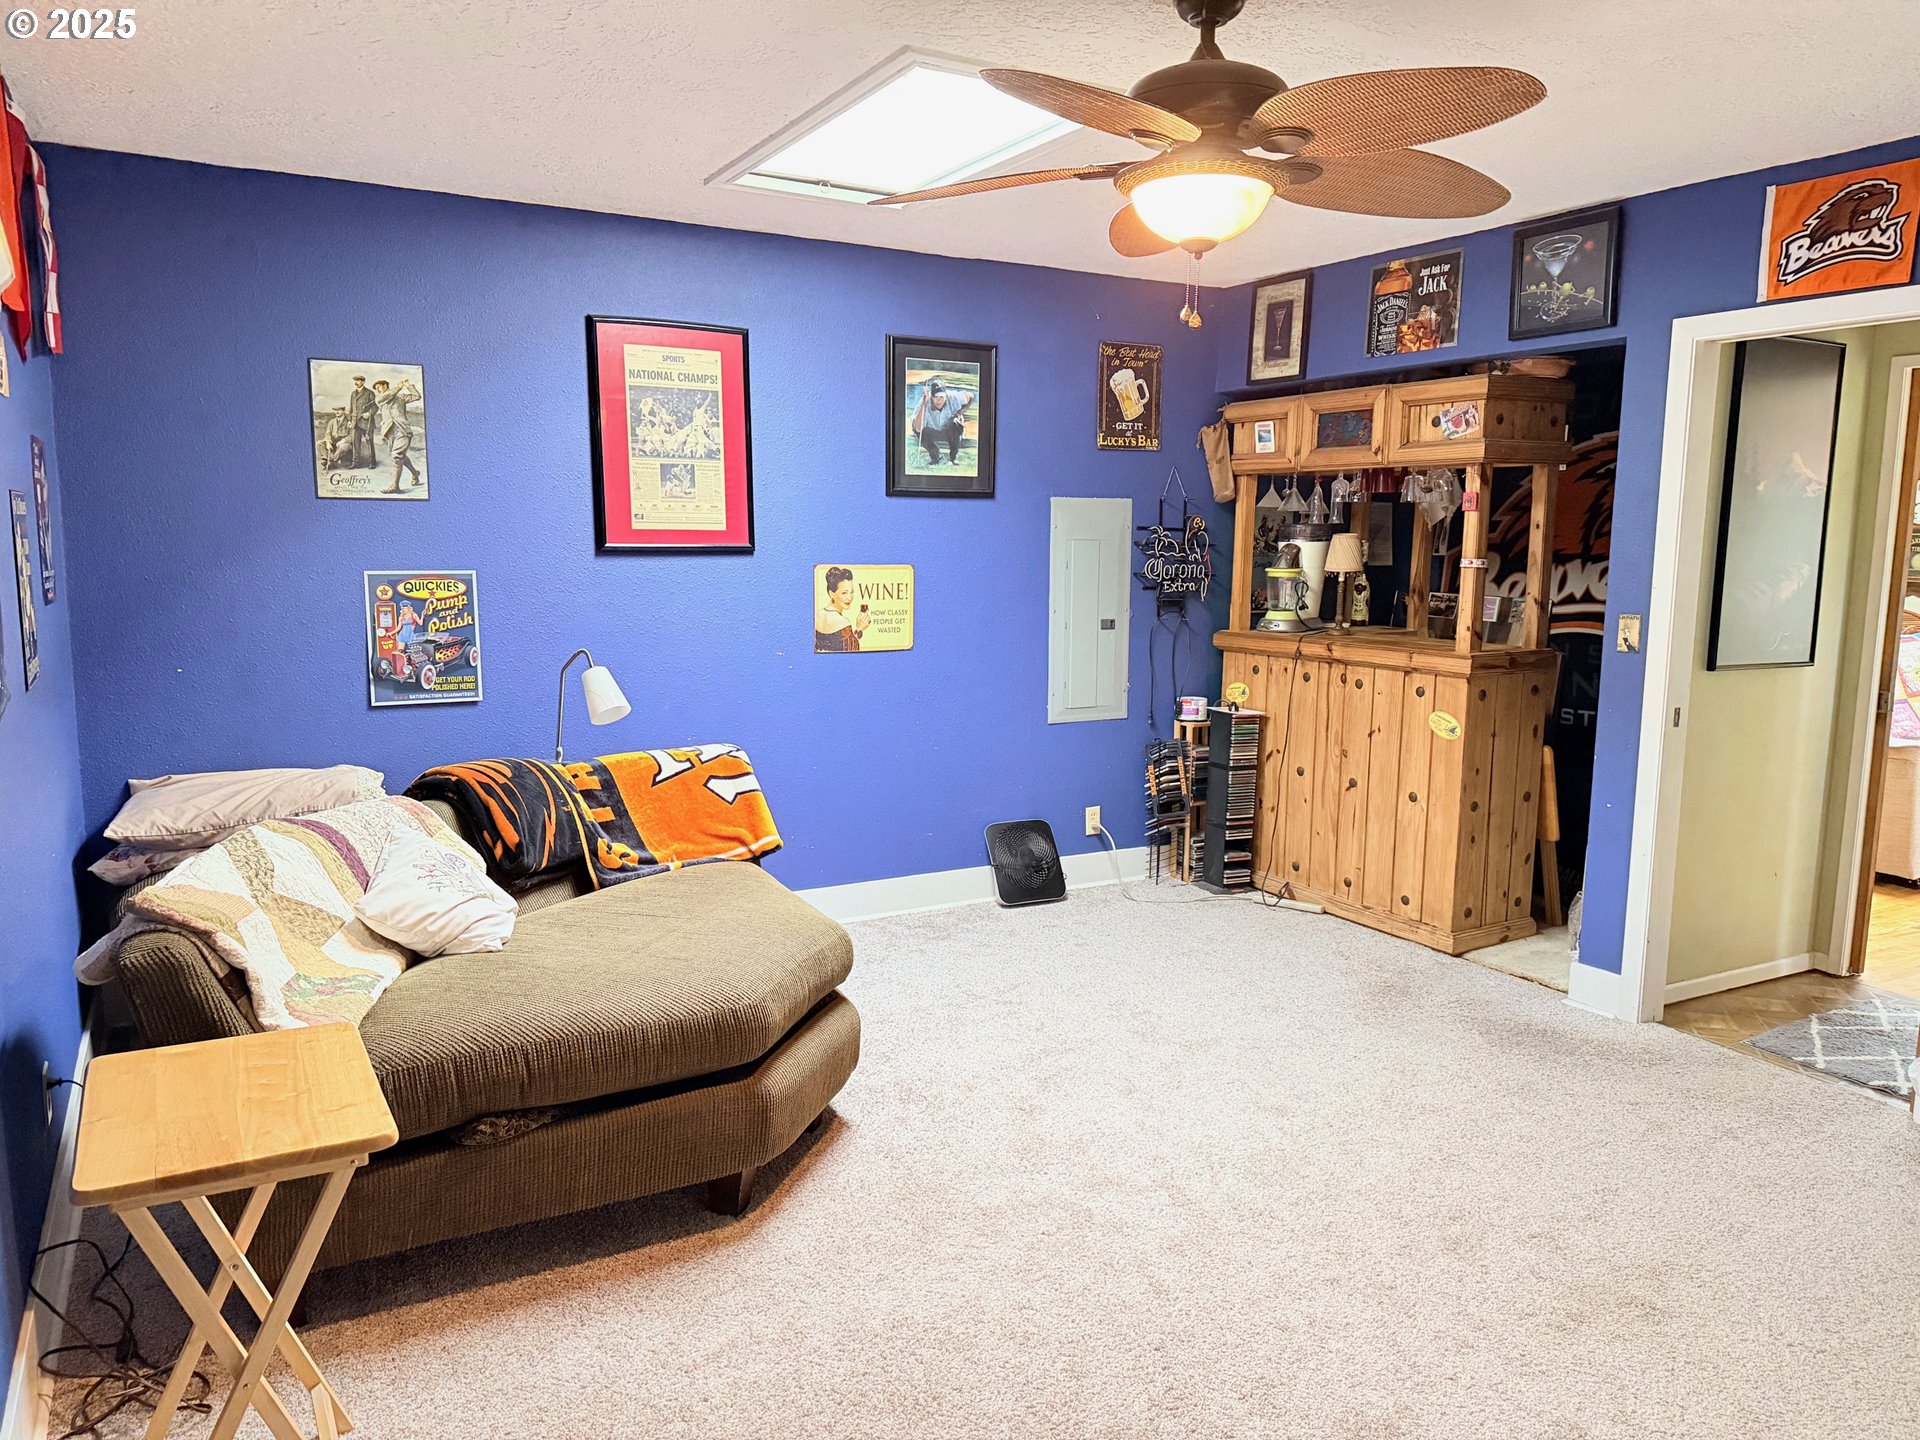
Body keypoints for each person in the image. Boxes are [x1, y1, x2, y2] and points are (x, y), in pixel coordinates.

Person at [374, 376, 423, 493]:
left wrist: (408, 385)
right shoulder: (380, 399)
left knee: (396, 456)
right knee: (399, 456)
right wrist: (399, 386)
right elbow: (388, 395)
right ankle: (415, 473)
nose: (378, 389)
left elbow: (417, 396)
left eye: (379, 386)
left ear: (385, 385)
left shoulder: (400, 397)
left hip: (403, 430)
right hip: (389, 432)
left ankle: (395, 486)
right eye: (376, 388)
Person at [912, 379, 973, 466]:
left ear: (945, 395)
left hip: (949, 429)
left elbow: (971, 396)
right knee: (918, 430)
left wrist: (960, 412)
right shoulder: (924, 402)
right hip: (931, 430)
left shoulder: (953, 397)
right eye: (935, 397)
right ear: (931, 396)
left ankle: (953, 457)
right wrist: (923, 406)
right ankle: (936, 457)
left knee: (956, 424)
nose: (938, 401)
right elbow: (917, 428)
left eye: (941, 397)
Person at [814, 566, 870, 653]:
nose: (849, 597)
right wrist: (860, 629)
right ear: (831, 594)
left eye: (851, 592)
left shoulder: (817, 615)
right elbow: (853, 651)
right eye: (844, 593)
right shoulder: (843, 622)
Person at [344, 375, 379, 469]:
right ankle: (356, 463)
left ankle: (372, 462)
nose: (356, 382)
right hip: (355, 422)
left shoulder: (369, 393)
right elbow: (351, 408)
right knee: (355, 444)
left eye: (358, 380)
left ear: (363, 382)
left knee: (369, 443)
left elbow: (375, 406)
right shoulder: (353, 393)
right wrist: (349, 420)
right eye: (355, 380)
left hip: (366, 422)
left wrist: (369, 413)